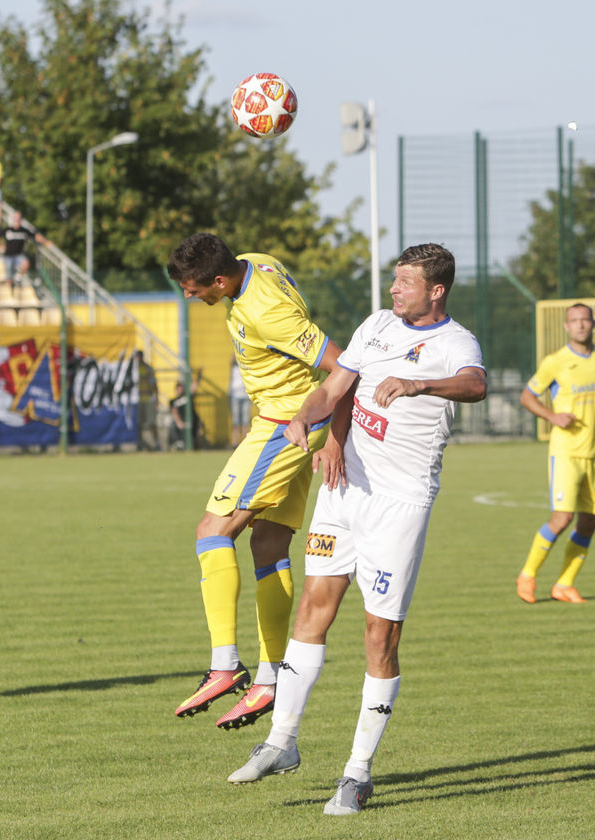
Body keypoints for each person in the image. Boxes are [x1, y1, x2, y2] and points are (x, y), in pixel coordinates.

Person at [226, 243, 486, 815]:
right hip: (343, 492)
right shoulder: (375, 326)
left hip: (399, 504)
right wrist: (308, 419)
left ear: (436, 290)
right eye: (394, 280)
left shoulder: (456, 342)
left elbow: (475, 385)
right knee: (313, 607)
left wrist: (419, 385)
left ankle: (357, 773)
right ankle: (281, 741)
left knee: (378, 635)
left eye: (405, 283)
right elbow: (332, 390)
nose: (394, 290)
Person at [165, 232, 344, 730]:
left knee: (212, 531)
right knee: (267, 543)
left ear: (220, 280)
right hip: (298, 421)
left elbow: (340, 364)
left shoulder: (268, 312)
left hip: (284, 425)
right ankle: (269, 678)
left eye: (194, 288)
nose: (190, 296)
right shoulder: (256, 262)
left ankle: (225, 665)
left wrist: (334, 434)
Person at [515, 302, 595, 604]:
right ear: (566, 326)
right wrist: (552, 416)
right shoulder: (555, 362)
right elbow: (527, 396)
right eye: (574, 320)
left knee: (590, 521)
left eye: (585, 319)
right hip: (565, 453)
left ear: (594, 323)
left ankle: (564, 584)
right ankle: (527, 575)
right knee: (562, 519)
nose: (580, 325)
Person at [229, 359, 250, 445]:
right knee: (235, 421)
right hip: (235, 396)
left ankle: (245, 442)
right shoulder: (234, 367)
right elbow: (231, 359)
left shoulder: (247, 366)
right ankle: (235, 442)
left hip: (246, 395)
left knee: (245, 421)